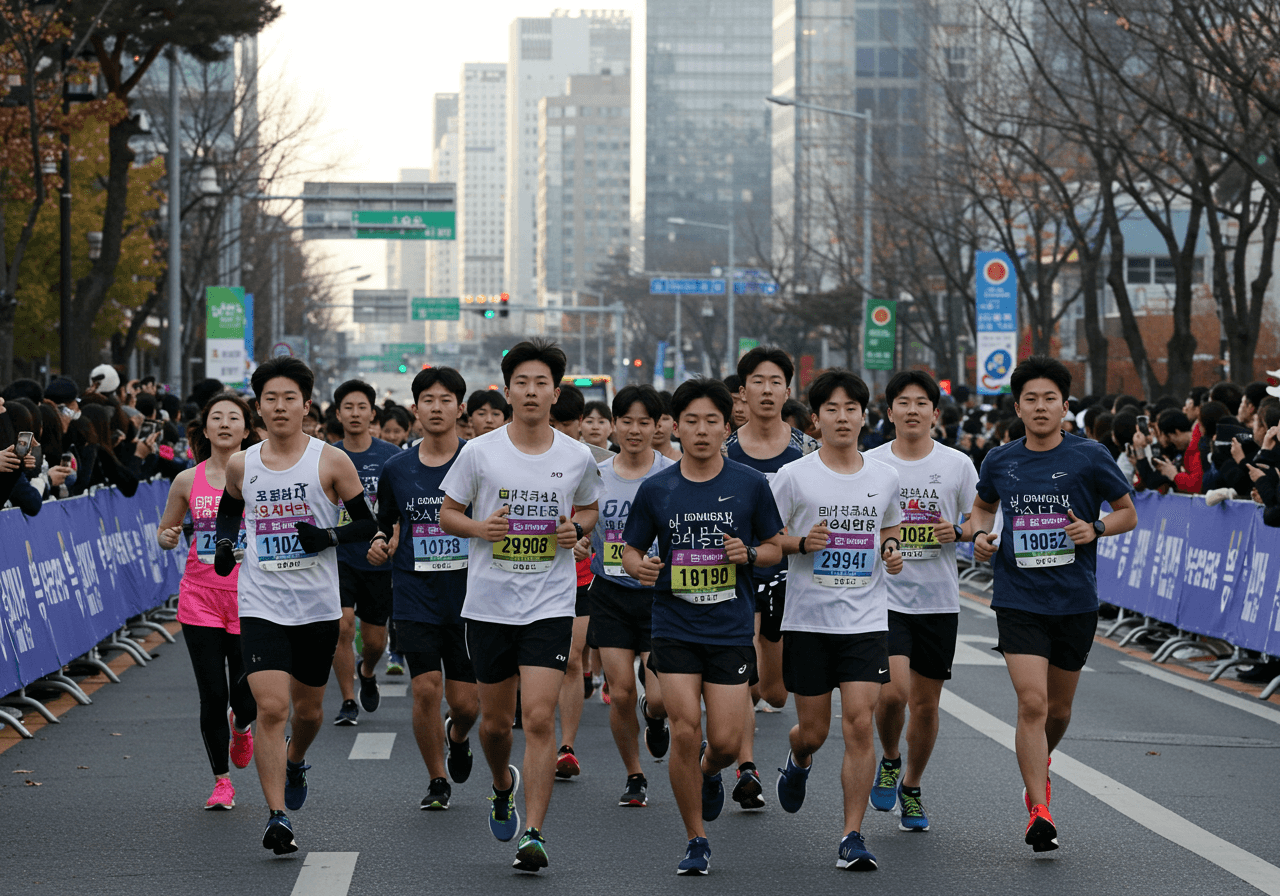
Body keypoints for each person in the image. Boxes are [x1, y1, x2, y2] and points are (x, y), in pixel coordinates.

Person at [439, 339, 603, 872]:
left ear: (556, 392)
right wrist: (479, 528)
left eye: (541, 383)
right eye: (522, 383)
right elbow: (448, 514)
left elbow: (588, 507)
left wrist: (575, 529)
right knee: (493, 725)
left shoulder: (575, 454)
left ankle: (533, 832)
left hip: (549, 604)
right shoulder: (480, 452)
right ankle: (500, 782)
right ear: (507, 389)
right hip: (489, 604)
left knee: (536, 718)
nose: (531, 392)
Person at [966, 356, 1137, 854]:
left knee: (1059, 709)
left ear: (1065, 405)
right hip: (1018, 597)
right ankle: (1039, 809)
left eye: (1049, 399)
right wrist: (980, 534)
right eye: (1030, 399)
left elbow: (1128, 512)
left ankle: (1036, 770)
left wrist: (1096, 528)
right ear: (1017, 406)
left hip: (1074, 599)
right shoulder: (1001, 460)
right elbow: (983, 505)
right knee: (1033, 702)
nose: (1040, 407)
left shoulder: (1090, 456)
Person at [212, 357, 378, 855]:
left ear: (306, 405)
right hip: (261, 602)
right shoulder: (244, 463)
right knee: (272, 706)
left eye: (289, 399)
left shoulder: (330, 461)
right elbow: (230, 507)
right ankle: (277, 815)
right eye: (270, 399)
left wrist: (326, 535)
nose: (280, 407)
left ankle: (297, 758)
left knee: (307, 712)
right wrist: (224, 543)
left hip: (317, 607)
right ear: (258, 406)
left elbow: (365, 526)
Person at [621, 377, 786, 876]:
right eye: (689, 420)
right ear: (674, 426)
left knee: (729, 743)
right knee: (686, 729)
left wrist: (751, 553)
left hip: (730, 629)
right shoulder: (657, 489)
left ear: (725, 425)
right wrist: (638, 567)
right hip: (673, 626)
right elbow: (630, 549)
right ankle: (696, 837)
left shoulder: (749, 485)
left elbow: (777, 546)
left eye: (711, 420)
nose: (700, 430)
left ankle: (711, 774)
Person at [770, 369, 904, 870]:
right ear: (816, 419)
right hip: (808, 621)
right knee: (814, 731)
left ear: (864, 418)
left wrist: (890, 548)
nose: (843, 417)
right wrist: (803, 543)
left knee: (859, 724)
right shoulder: (795, 476)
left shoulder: (883, 475)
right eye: (832, 409)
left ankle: (852, 835)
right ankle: (798, 758)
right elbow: (769, 538)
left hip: (866, 620)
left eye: (851, 409)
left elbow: (888, 524)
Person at [865, 371, 978, 833]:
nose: (912, 410)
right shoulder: (869, 463)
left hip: (937, 601)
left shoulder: (957, 465)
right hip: (882, 598)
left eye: (921, 403)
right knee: (893, 694)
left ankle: (911, 785)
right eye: (903, 403)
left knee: (926, 707)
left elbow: (981, 517)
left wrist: (963, 531)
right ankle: (890, 757)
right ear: (889, 412)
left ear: (936, 412)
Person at [368, 367, 479, 810]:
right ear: (416, 410)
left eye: (445, 399)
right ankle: (437, 780)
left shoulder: (478, 459)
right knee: (426, 688)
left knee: (467, 704)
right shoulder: (397, 468)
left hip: (471, 596)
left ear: (460, 407)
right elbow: (385, 522)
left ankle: (458, 735)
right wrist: (381, 542)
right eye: (428, 400)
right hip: (414, 591)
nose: (436, 407)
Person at [723, 346, 817, 810]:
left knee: (774, 691)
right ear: (742, 391)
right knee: (741, 674)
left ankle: (789, 754)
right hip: (732, 578)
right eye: (756, 381)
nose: (766, 389)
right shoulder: (723, 452)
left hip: (789, 579)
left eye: (775, 381)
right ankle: (746, 767)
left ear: (787, 389)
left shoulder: (809, 452)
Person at [156, 392, 260, 810]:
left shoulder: (259, 475)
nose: (224, 424)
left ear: (246, 429)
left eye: (233, 417)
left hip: (250, 595)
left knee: (247, 691)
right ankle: (222, 782)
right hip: (199, 596)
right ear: (205, 428)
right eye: (216, 417)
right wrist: (166, 537)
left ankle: (243, 727)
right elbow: (168, 532)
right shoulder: (187, 480)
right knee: (212, 695)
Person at [580, 384, 676, 807]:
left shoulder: (673, 473)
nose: (634, 430)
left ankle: (656, 720)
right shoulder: (596, 474)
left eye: (644, 422)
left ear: (658, 427)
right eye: (627, 422)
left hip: (659, 596)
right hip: (611, 593)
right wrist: (583, 540)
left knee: (656, 697)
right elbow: (585, 520)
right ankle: (634, 774)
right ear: (614, 426)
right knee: (620, 692)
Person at [545, 381, 610, 777]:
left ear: (582, 424)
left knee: (571, 658)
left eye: (569, 423)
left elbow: (602, 517)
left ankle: (566, 746)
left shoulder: (598, 461)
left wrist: (585, 535)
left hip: (580, 576)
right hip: (528, 577)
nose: (562, 430)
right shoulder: (518, 456)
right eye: (556, 423)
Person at [330, 380, 402, 726]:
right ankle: (347, 699)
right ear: (338, 413)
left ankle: (367, 669)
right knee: (342, 627)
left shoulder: (391, 456)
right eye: (348, 407)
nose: (355, 413)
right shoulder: (326, 456)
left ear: (372, 413)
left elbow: (401, 509)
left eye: (362, 407)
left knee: (375, 641)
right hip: (339, 557)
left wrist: (390, 542)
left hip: (379, 560)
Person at [653, 390, 682, 460]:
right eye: (654, 418)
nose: (658, 424)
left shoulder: (685, 460)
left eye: (665, 419)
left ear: (675, 424)